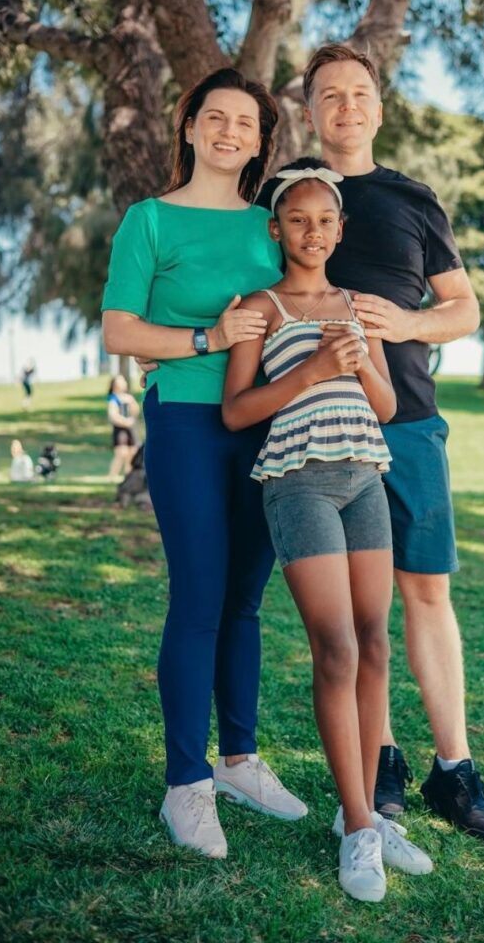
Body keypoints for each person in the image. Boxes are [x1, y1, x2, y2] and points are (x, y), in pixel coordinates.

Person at [257, 43, 484, 844]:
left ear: (378, 107)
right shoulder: (284, 197)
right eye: (329, 95)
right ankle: (382, 757)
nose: (346, 106)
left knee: (425, 591)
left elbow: (463, 308)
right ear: (309, 112)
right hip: (319, 437)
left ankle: (454, 767)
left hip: (409, 423)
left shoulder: (411, 200)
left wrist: (405, 322)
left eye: (359, 93)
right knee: (361, 615)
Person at [101, 66, 307, 861]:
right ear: (188, 128)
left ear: (260, 143)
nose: (228, 132)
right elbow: (120, 330)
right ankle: (185, 783)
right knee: (198, 597)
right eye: (214, 117)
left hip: (265, 425)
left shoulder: (269, 228)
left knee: (245, 601)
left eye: (245, 123)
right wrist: (205, 339)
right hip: (186, 419)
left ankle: (239, 763)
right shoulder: (148, 220)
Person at [223, 163, 432, 902]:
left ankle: (365, 810)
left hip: (363, 478)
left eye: (324, 221)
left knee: (375, 642)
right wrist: (311, 370)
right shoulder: (261, 307)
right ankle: (357, 826)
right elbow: (236, 411)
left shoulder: (355, 306)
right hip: (297, 482)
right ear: (276, 229)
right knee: (336, 648)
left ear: (340, 231)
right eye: (297, 220)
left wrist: (357, 360)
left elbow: (384, 405)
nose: (312, 232)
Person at [107, 374, 140, 479]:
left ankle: (128, 475)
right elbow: (112, 415)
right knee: (121, 453)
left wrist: (132, 403)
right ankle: (112, 475)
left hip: (130, 428)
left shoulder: (128, 397)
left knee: (132, 452)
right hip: (120, 429)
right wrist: (125, 422)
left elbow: (136, 411)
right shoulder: (113, 399)